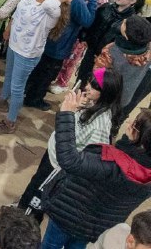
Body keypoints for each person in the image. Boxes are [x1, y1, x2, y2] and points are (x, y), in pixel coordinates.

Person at [40, 99, 151, 248]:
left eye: (135, 124)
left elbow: (69, 160)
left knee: (50, 245)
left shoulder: (113, 164)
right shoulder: (143, 171)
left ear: (142, 138)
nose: (130, 122)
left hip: (67, 213)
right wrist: (129, 141)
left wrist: (66, 114)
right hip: (96, 226)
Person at [18, 68, 122, 224]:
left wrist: (69, 112)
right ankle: (21, 209)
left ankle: (22, 223)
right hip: (53, 155)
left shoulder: (102, 124)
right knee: (35, 184)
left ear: (106, 93)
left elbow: (89, 156)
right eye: (89, 82)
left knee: (37, 199)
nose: (87, 87)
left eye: (94, 86)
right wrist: (77, 108)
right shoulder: (90, 102)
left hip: (59, 166)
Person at [0, 0, 72, 134]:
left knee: (18, 87)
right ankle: (3, 99)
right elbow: (19, 10)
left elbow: (49, 3)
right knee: (9, 76)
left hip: (27, 53)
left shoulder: (53, 9)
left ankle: (10, 121)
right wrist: (9, 28)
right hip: (14, 43)